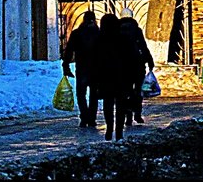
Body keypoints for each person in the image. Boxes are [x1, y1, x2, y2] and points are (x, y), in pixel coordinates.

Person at [90, 13, 139, 141]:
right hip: (122, 77)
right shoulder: (124, 39)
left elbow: (94, 61)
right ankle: (119, 132)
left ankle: (109, 128)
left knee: (108, 104)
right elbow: (133, 58)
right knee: (121, 105)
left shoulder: (99, 39)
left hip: (105, 78)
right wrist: (133, 78)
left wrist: (95, 79)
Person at [62, 10, 100, 128]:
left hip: (82, 68)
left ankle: (84, 117)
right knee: (94, 95)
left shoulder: (77, 33)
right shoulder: (99, 34)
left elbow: (69, 51)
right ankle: (92, 118)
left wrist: (66, 65)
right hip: (96, 69)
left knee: (81, 94)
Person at [118, 8, 153, 126]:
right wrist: (149, 60)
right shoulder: (137, 30)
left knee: (125, 91)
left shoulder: (117, 30)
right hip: (138, 66)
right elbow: (143, 46)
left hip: (123, 66)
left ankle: (127, 115)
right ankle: (137, 114)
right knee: (138, 91)